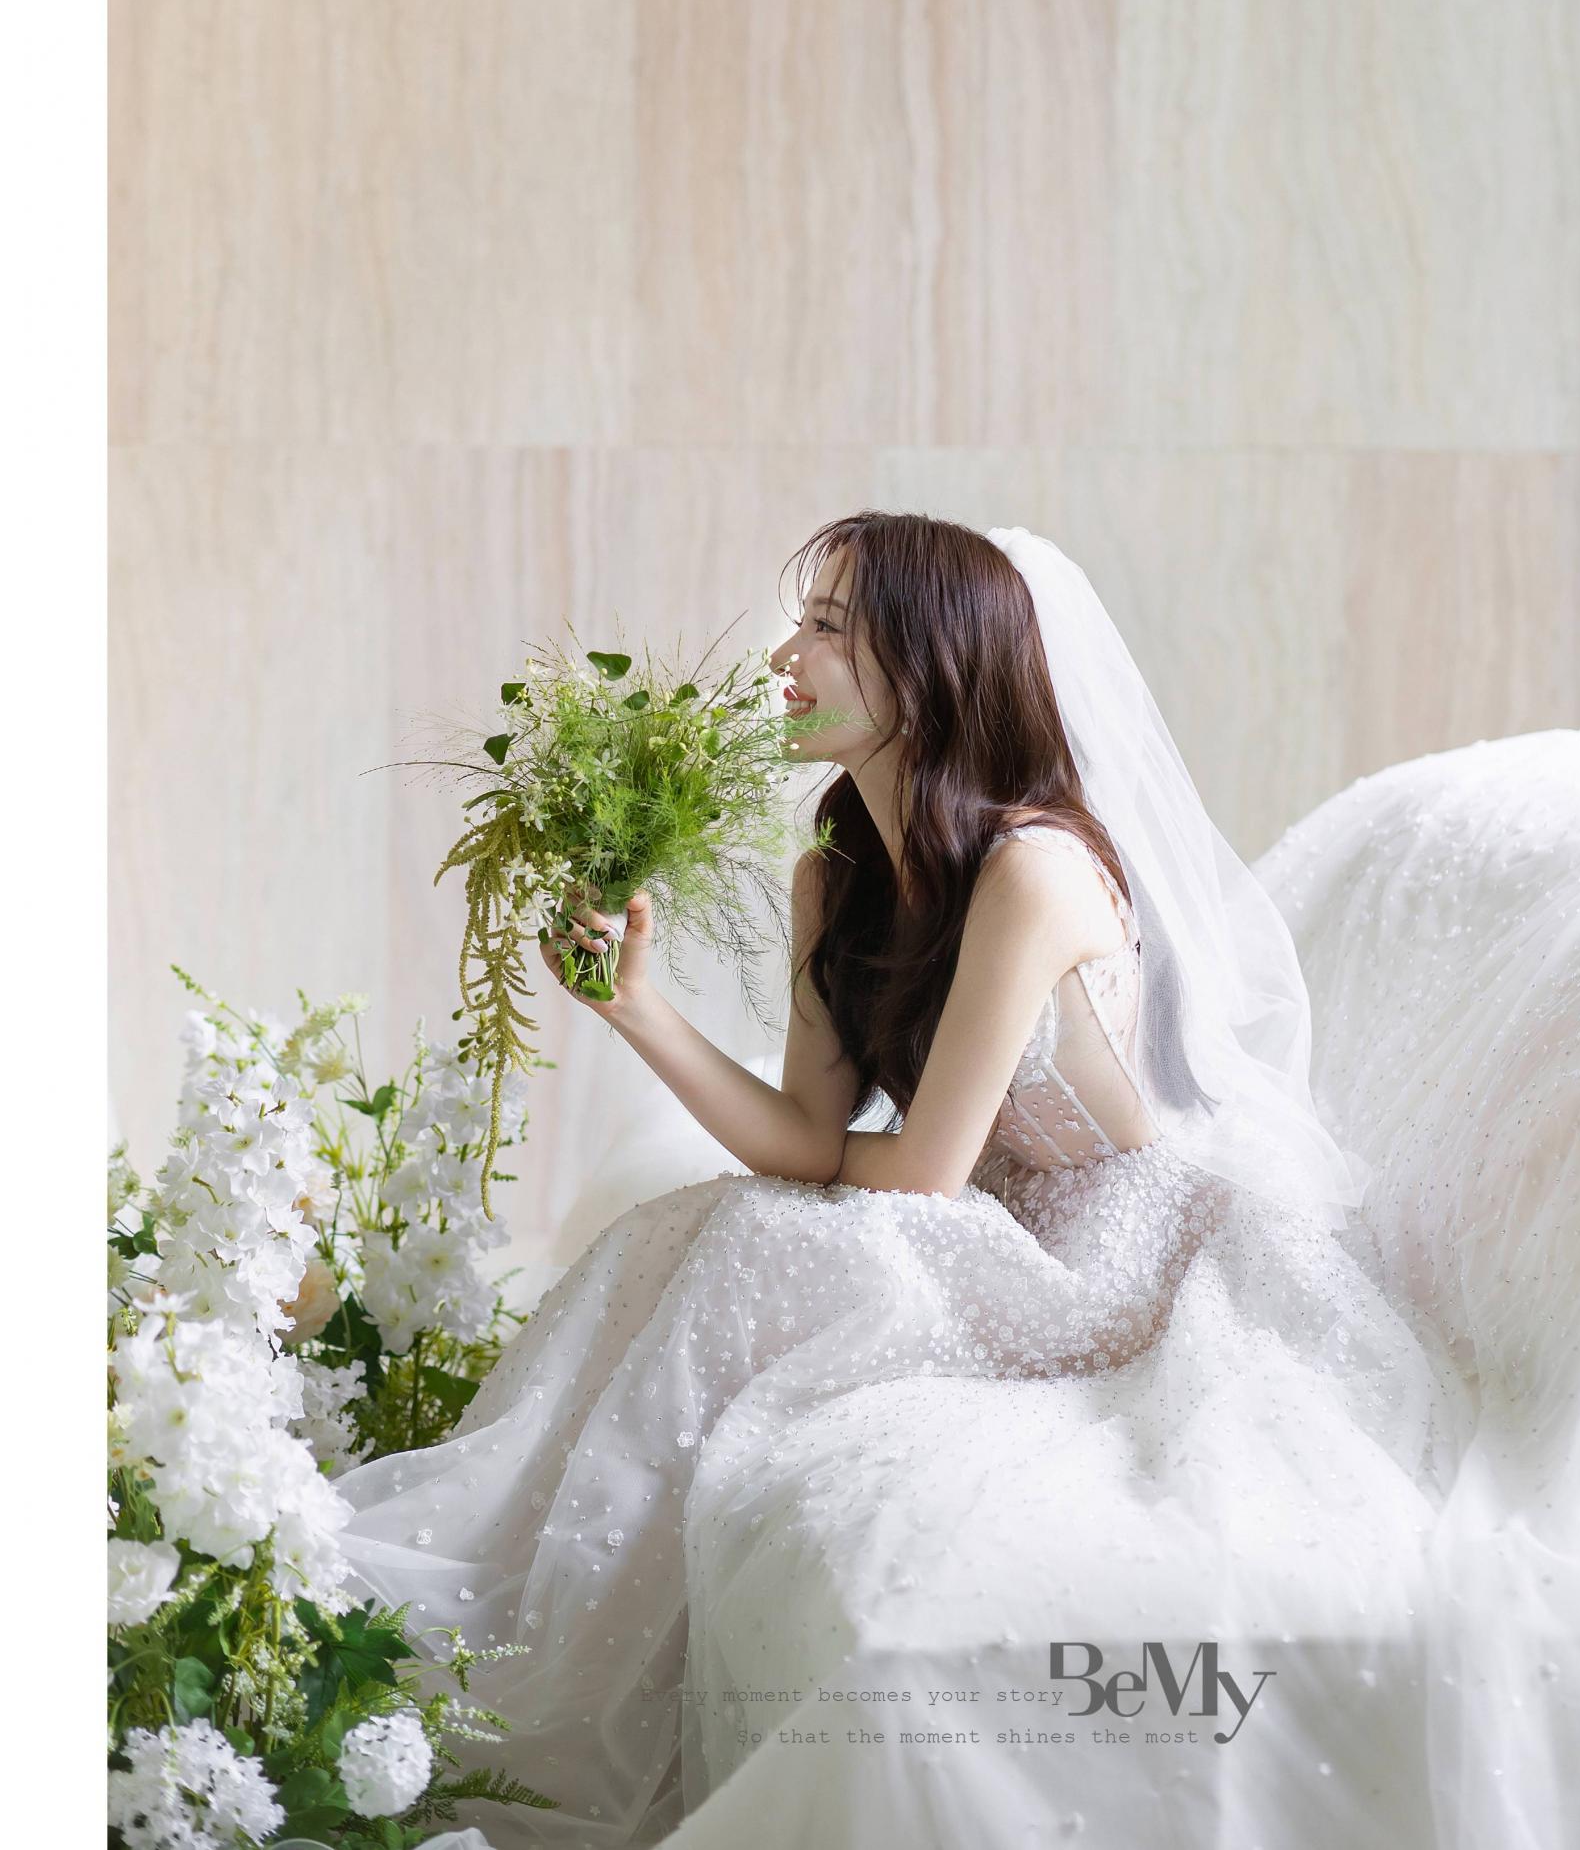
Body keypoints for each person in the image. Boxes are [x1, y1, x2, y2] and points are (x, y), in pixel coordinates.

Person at [334, 514, 1460, 1848]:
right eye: (801, 623)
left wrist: (798, 1194)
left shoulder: (1034, 868)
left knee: (755, 1237)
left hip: (1123, 1250)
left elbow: (916, 1174)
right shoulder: (836, 871)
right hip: (993, 1217)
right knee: (685, 1227)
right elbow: (810, 1138)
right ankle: (509, 1614)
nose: (784, 659)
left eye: (827, 628)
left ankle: (529, 1667)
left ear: (928, 668)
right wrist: (635, 1008)